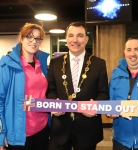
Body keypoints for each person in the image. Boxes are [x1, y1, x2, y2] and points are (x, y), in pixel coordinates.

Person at [47, 22, 109, 150]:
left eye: (80, 35)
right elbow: (51, 91)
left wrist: (95, 106)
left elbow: (103, 93)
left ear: (86, 39)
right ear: (67, 39)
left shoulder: (99, 64)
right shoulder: (55, 63)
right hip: (60, 128)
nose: (75, 40)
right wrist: (54, 102)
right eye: (71, 36)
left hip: (88, 128)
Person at [0, 23, 50, 150]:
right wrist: (1, 134)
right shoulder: (7, 65)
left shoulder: (42, 64)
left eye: (38, 38)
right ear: (21, 38)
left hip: (42, 128)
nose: (34, 41)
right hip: (19, 134)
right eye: (29, 37)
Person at [108, 36, 138, 150]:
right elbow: (110, 102)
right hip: (121, 140)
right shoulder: (115, 75)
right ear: (124, 52)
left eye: (137, 49)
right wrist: (109, 112)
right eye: (129, 50)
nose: (133, 54)